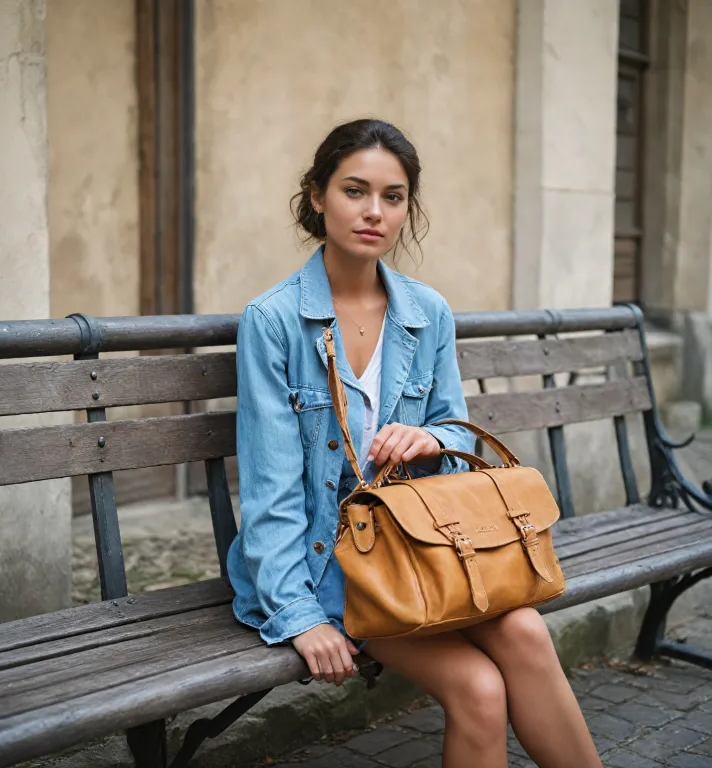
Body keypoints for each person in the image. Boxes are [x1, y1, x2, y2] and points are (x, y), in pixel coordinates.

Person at [226, 119, 602, 768]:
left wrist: (428, 435)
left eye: (393, 197)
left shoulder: (426, 313)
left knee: (526, 634)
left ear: (407, 208)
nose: (374, 211)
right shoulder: (275, 322)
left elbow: (456, 431)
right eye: (355, 190)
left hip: (418, 549)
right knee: (480, 690)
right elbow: (270, 486)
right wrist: (298, 616)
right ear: (317, 196)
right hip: (326, 567)